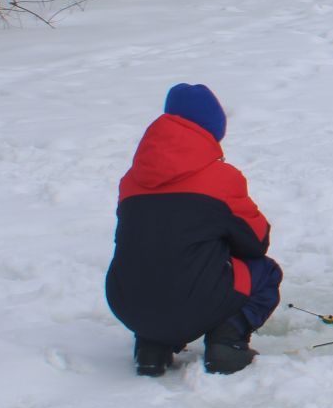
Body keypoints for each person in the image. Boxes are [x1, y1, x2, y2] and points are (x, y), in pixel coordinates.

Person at [106, 84, 281, 375]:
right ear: (211, 130)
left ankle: (152, 347)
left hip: (126, 303)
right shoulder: (220, 179)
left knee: (157, 263)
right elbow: (256, 242)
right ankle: (227, 342)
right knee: (265, 272)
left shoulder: (131, 181)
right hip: (191, 299)